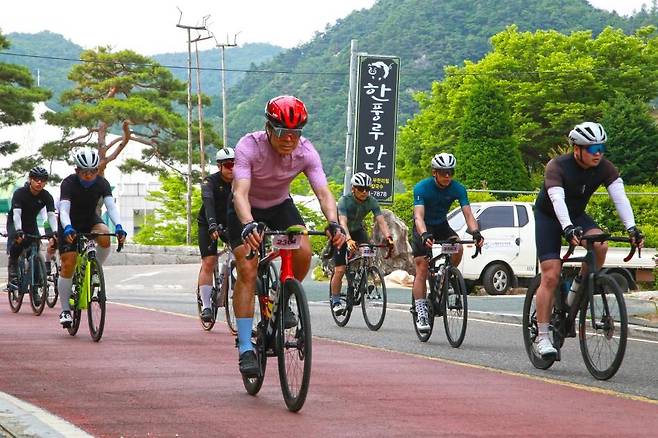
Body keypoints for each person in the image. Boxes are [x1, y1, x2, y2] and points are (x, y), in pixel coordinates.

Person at [227, 95, 346, 377]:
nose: (289, 139)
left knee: (305, 250)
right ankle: (245, 346)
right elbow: (239, 193)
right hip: (246, 208)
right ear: (268, 128)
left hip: (280, 205)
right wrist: (248, 224)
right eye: (282, 132)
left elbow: (324, 192)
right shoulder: (249, 147)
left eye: (296, 133)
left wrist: (334, 223)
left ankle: (283, 298)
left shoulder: (306, 152)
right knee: (247, 267)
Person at [533, 121, 644, 358]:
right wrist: (568, 228)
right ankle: (542, 336)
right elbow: (557, 201)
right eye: (593, 149)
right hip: (550, 217)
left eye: (602, 148)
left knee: (601, 245)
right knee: (551, 275)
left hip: (577, 216)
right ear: (577, 149)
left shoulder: (605, 167)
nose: (599, 154)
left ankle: (579, 288)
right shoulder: (557, 166)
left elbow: (620, 198)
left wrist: (632, 228)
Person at [411, 153, 483, 332]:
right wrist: (425, 234)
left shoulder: (458, 188)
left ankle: (446, 276)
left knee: (457, 246)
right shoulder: (422, 187)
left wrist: (475, 232)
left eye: (450, 172)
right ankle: (420, 310)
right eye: (443, 172)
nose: (447, 176)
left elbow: (468, 214)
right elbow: (418, 216)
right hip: (423, 227)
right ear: (434, 172)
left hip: (442, 225)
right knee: (422, 267)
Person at [57, 148, 127, 327]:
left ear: (97, 170)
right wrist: (68, 228)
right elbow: (64, 210)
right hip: (69, 223)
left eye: (93, 171)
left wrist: (119, 226)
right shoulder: (68, 183)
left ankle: (95, 269)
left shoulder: (102, 183)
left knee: (104, 235)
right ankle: (65, 310)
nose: (89, 176)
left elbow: (111, 207)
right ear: (77, 171)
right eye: (84, 172)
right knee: (68, 264)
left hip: (90, 220)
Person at [329, 172, 394, 315]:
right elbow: (343, 222)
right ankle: (335, 300)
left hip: (358, 230)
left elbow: (381, 221)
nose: (364, 192)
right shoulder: (344, 201)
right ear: (353, 188)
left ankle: (363, 274)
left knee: (368, 249)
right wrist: (348, 239)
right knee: (340, 269)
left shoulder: (371, 201)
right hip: (341, 232)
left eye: (367, 189)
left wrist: (388, 237)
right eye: (360, 188)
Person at [197, 147, 235, 322]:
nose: (232, 168)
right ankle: (206, 306)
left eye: (236, 164)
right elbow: (209, 202)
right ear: (219, 166)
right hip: (208, 222)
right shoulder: (209, 182)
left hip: (230, 222)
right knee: (209, 261)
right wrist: (212, 225)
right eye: (228, 165)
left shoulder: (241, 181)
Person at [5, 167, 58, 292]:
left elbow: (50, 216)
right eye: (36, 179)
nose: (39, 182)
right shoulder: (20, 193)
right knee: (19, 239)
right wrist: (18, 230)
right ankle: (13, 264)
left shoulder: (47, 196)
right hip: (15, 221)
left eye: (43, 180)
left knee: (35, 249)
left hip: (31, 222)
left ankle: (36, 286)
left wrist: (54, 232)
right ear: (30, 179)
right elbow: (17, 214)